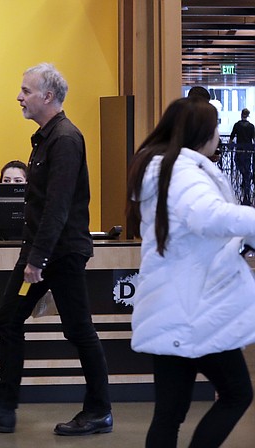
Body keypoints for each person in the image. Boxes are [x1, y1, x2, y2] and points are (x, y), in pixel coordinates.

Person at [0, 63, 112, 436]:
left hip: (62, 255)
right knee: (9, 319)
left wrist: (36, 260)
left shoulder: (66, 140)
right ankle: (3, 408)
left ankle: (99, 410)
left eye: (26, 90)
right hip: (41, 252)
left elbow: (58, 206)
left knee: (79, 330)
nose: (19, 96)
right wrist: (34, 256)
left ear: (48, 96)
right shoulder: (45, 138)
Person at [126, 97, 255, 448]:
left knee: (169, 413)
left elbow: (192, 231)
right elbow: (209, 217)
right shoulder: (182, 172)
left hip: (173, 305)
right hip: (196, 309)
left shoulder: (165, 169)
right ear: (206, 134)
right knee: (236, 394)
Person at [231, 108, 255, 205]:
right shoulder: (251, 126)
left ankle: (245, 179)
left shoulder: (237, 125)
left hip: (239, 149)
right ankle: (246, 181)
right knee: (247, 166)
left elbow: (232, 136)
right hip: (248, 150)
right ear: (248, 115)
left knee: (238, 164)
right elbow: (254, 138)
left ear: (241, 114)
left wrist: (230, 145)